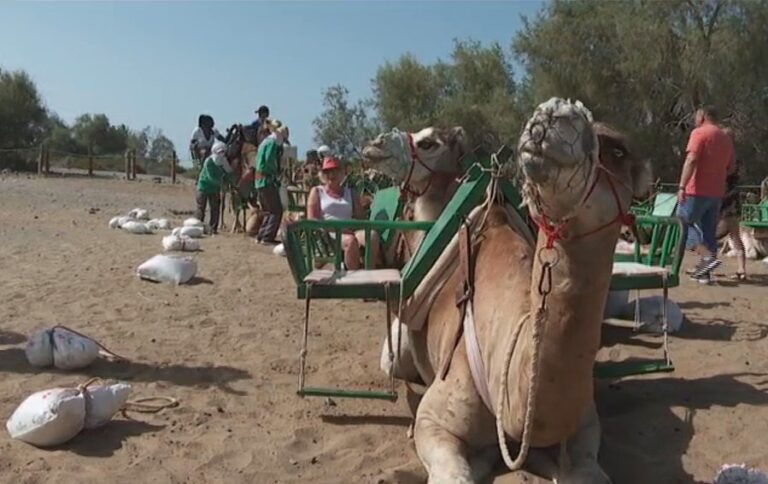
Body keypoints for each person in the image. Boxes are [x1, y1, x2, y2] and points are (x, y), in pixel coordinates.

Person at [676, 106, 735, 284]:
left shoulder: (699, 133)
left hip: (696, 190)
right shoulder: (726, 138)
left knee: (681, 224)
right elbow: (731, 167)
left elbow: (692, 159)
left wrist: (681, 186)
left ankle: (707, 257)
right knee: (708, 231)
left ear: (702, 116)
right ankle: (705, 273)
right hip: (716, 192)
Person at [306, 156, 380, 270]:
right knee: (350, 241)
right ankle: (352, 276)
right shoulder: (317, 191)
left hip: (350, 228)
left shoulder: (351, 192)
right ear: (323, 175)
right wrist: (333, 228)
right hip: (329, 232)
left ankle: (369, 271)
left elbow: (361, 218)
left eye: (335, 171)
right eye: (327, 172)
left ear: (341, 173)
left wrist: (355, 223)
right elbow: (312, 219)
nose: (331, 175)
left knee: (372, 236)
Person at [718, 127, 747, 281]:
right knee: (735, 236)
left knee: (710, 235)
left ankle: (706, 266)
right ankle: (742, 269)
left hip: (725, 201)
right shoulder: (735, 158)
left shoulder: (726, 158)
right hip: (731, 200)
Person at [254, 121, 289, 244]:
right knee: (276, 210)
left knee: (268, 210)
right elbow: (269, 160)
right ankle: (267, 237)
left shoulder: (264, 142)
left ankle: (261, 235)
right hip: (267, 180)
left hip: (259, 181)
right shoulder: (273, 143)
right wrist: (276, 172)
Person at [196, 141, 235, 234]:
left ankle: (213, 228)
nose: (221, 154)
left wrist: (233, 182)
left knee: (215, 208)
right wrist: (222, 184)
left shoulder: (223, 161)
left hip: (215, 189)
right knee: (201, 208)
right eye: (219, 152)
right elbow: (210, 177)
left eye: (223, 152)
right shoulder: (208, 161)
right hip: (204, 187)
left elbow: (229, 172)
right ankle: (198, 227)